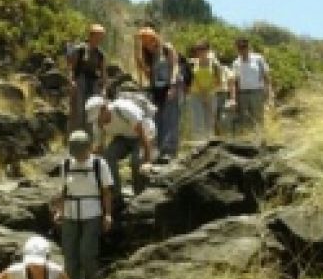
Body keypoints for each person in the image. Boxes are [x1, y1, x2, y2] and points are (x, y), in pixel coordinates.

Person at [53, 130, 114, 279]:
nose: (79, 155)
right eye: (76, 152)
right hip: (70, 213)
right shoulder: (66, 164)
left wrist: (107, 215)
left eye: (81, 151)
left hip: (92, 213)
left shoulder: (99, 164)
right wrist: (59, 211)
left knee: (87, 253)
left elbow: (106, 192)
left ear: (89, 147)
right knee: (69, 254)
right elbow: (63, 190)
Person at [85, 95, 154, 207]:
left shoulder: (123, 110)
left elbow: (143, 134)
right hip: (123, 137)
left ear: (104, 108)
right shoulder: (97, 124)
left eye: (98, 116)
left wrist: (147, 161)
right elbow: (99, 148)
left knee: (137, 161)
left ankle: (140, 196)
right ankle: (116, 197)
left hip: (143, 135)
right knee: (109, 156)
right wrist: (84, 159)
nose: (98, 120)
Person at [136, 27, 179, 160]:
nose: (147, 43)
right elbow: (150, 76)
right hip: (156, 89)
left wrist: (173, 85)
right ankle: (159, 150)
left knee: (170, 118)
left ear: (154, 38)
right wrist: (142, 66)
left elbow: (175, 66)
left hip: (170, 87)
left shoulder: (166, 48)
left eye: (148, 39)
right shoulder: (149, 55)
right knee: (157, 119)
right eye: (144, 41)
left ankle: (169, 150)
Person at [67, 24, 109, 134]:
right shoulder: (79, 49)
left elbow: (103, 74)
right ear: (91, 36)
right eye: (97, 36)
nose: (99, 40)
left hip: (93, 84)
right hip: (79, 82)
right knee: (78, 111)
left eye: (101, 37)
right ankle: (75, 137)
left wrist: (104, 89)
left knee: (91, 111)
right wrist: (71, 81)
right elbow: (72, 68)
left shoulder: (100, 54)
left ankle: (88, 139)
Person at [230, 37, 274, 134]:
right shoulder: (236, 63)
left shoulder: (258, 59)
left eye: (244, 46)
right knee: (245, 120)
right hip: (242, 94)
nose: (242, 49)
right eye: (239, 47)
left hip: (257, 93)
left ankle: (260, 139)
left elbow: (267, 77)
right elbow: (233, 82)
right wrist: (233, 99)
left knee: (258, 119)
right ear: (236, 48)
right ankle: (248, 140)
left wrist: (270, 94)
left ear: (248, 46)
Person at [187, 41, 223, 140]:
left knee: (209, 121)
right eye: (198, 49)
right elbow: (189, 79)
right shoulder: (192, 63)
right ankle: (198, 143)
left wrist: (209, 92)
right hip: (195, 95)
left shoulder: (215, 64)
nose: (200, 52)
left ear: (208, 50)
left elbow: (219, 82)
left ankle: (209, 143)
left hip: (210, 95)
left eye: (203, 49)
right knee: (197, 120)